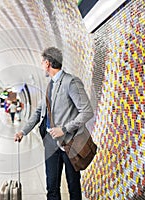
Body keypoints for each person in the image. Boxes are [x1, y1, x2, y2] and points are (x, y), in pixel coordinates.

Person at [14, 47, 94, 200]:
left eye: (42, 62)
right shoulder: (50, 85)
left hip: (69, 143)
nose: (41, 65)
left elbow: (87, 111)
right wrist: (22, 132)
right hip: (50, 144)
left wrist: (64, 129)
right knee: (51, 187)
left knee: (73, 187)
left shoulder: (71, 82)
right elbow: (39, 112)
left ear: (48, 63)